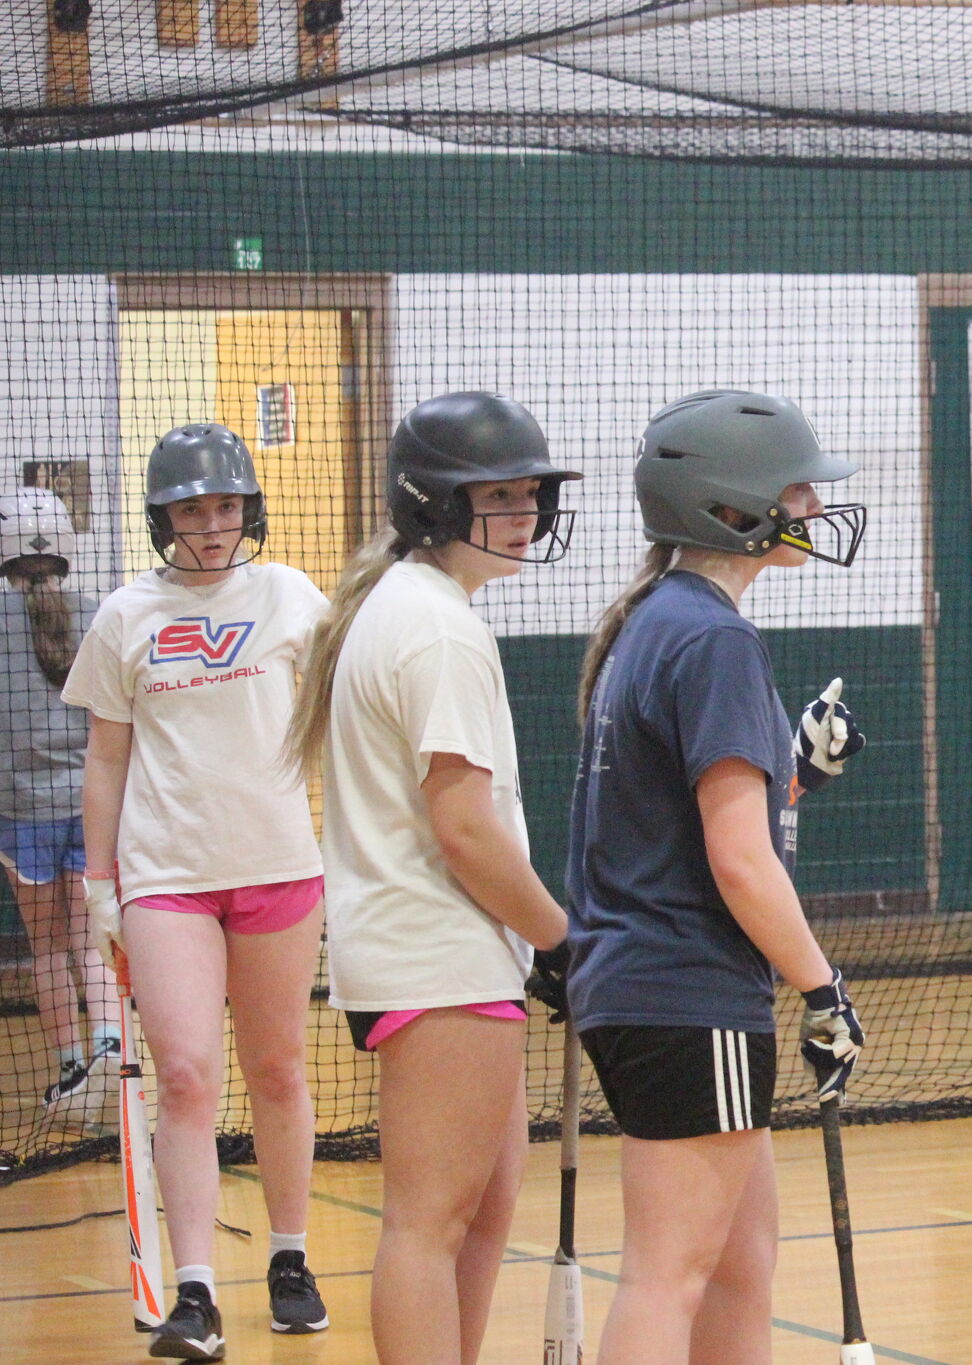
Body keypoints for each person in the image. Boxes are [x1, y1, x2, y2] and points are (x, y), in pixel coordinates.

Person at [564, 391, 868, 1365]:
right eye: (797, 488)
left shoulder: (655, 621)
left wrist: (795, 769)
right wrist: (823, 988)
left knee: (741, 1262)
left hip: (645, 990)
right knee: (669, 1276)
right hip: (687, 992)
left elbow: (684, 820)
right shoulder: (715, 639)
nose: (816, 506)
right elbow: (738, 861)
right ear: (732, 509)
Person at [278, 391, 579, 1365]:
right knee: (429, 1222)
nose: (525, 514)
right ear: (435, 505)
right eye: (501, 494)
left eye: (531, 493)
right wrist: (559, 937)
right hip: (438, 959)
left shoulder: (410, 607)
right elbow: (464, 828)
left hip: (452, 958)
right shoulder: (437, 629)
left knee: (482, 1208)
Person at [63, 425, 331, 1360]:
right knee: (183, 1076)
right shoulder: (124, 615)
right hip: (167, 877)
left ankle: (291, 1260)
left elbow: (348, 713)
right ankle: (195, 1292)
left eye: (224, 506)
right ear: (162, 516)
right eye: (191, 508)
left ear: (248, 509)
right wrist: (101, 884)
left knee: (280, 1069)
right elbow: (105, 758)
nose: (211, 525)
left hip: (279, 870)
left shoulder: (292, 596)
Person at [0, 487, 117, 1132]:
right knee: (89, 932)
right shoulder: (99, 615)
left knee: (46, 946)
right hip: (93, 805)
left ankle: (73, 1067)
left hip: (21, 814)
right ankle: (109, 1046)